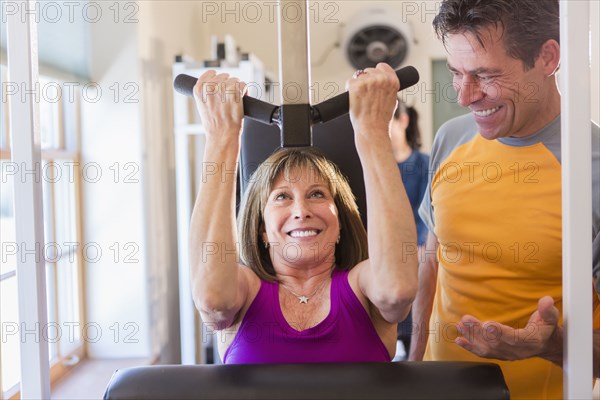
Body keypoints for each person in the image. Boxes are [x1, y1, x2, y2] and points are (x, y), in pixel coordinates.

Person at [409, 0, 600, 399]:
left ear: (548, 57)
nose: (465, 96)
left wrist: (552, 345)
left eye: (485, 75)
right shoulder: (450, 137)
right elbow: (433, 261)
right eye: (457, 74)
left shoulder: (591, 165)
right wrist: (412, 369)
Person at [189, 63, 418, 363]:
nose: (301, 211)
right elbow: (212, 300)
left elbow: (397, 291)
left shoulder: (364, 288)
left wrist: (374, 132)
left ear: (341, 220)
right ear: (261, 229)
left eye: (317, 194)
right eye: (282, 197)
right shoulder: (243, 292)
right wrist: (221, 139)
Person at [389, 100, 429, 359]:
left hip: (418, 255)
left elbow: (429, 215)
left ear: (403, 121)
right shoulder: (375, 170)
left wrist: (414, 248)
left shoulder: (425, 164)